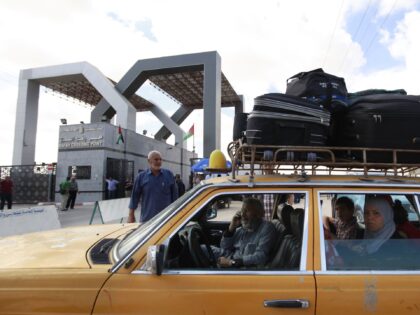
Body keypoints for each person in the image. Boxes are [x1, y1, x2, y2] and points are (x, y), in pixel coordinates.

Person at [214, 197, 276, 268]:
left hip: (243, 267)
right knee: (203, 249)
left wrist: (231, 262)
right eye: (242, 210)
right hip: (232, 256)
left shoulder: (267, 228)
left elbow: (261, 257)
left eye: (246, 211)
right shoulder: (243, 228)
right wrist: (231, 229)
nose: (242, 214)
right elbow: (224, 246)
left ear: (258, 213)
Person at [128, 150, 178, 223]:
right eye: (156, 159)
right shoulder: (141, 177)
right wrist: (131, 215)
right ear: (149, 161)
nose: (159, 161)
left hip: (166, 219)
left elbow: (175, 197)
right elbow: (134, 197)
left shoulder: (169, 175)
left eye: (160, 159)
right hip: (147, 220)